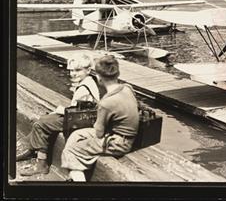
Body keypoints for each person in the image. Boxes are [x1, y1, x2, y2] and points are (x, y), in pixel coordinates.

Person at [18, 53, 100, 176]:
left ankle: (41, 164)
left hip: (79, 121)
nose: (73, 73)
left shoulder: (83, 88)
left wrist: (60, 110)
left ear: (88, 70)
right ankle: (32, 150)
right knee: (44, 119)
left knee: (41, 124)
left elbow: (73, 111)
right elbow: (78, 107)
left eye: (78, 70)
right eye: (71, 70)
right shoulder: (90, 81)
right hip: (82, 118)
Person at [61, 54, 139, 182]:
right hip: (124, 136)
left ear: (98, 77)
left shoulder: (106, 103)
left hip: (118, 143)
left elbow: (98, 133)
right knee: (76, 135)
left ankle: (79, 181)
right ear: (117, 74)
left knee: (71, 150)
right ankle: (75, 172)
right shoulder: (127, 88)